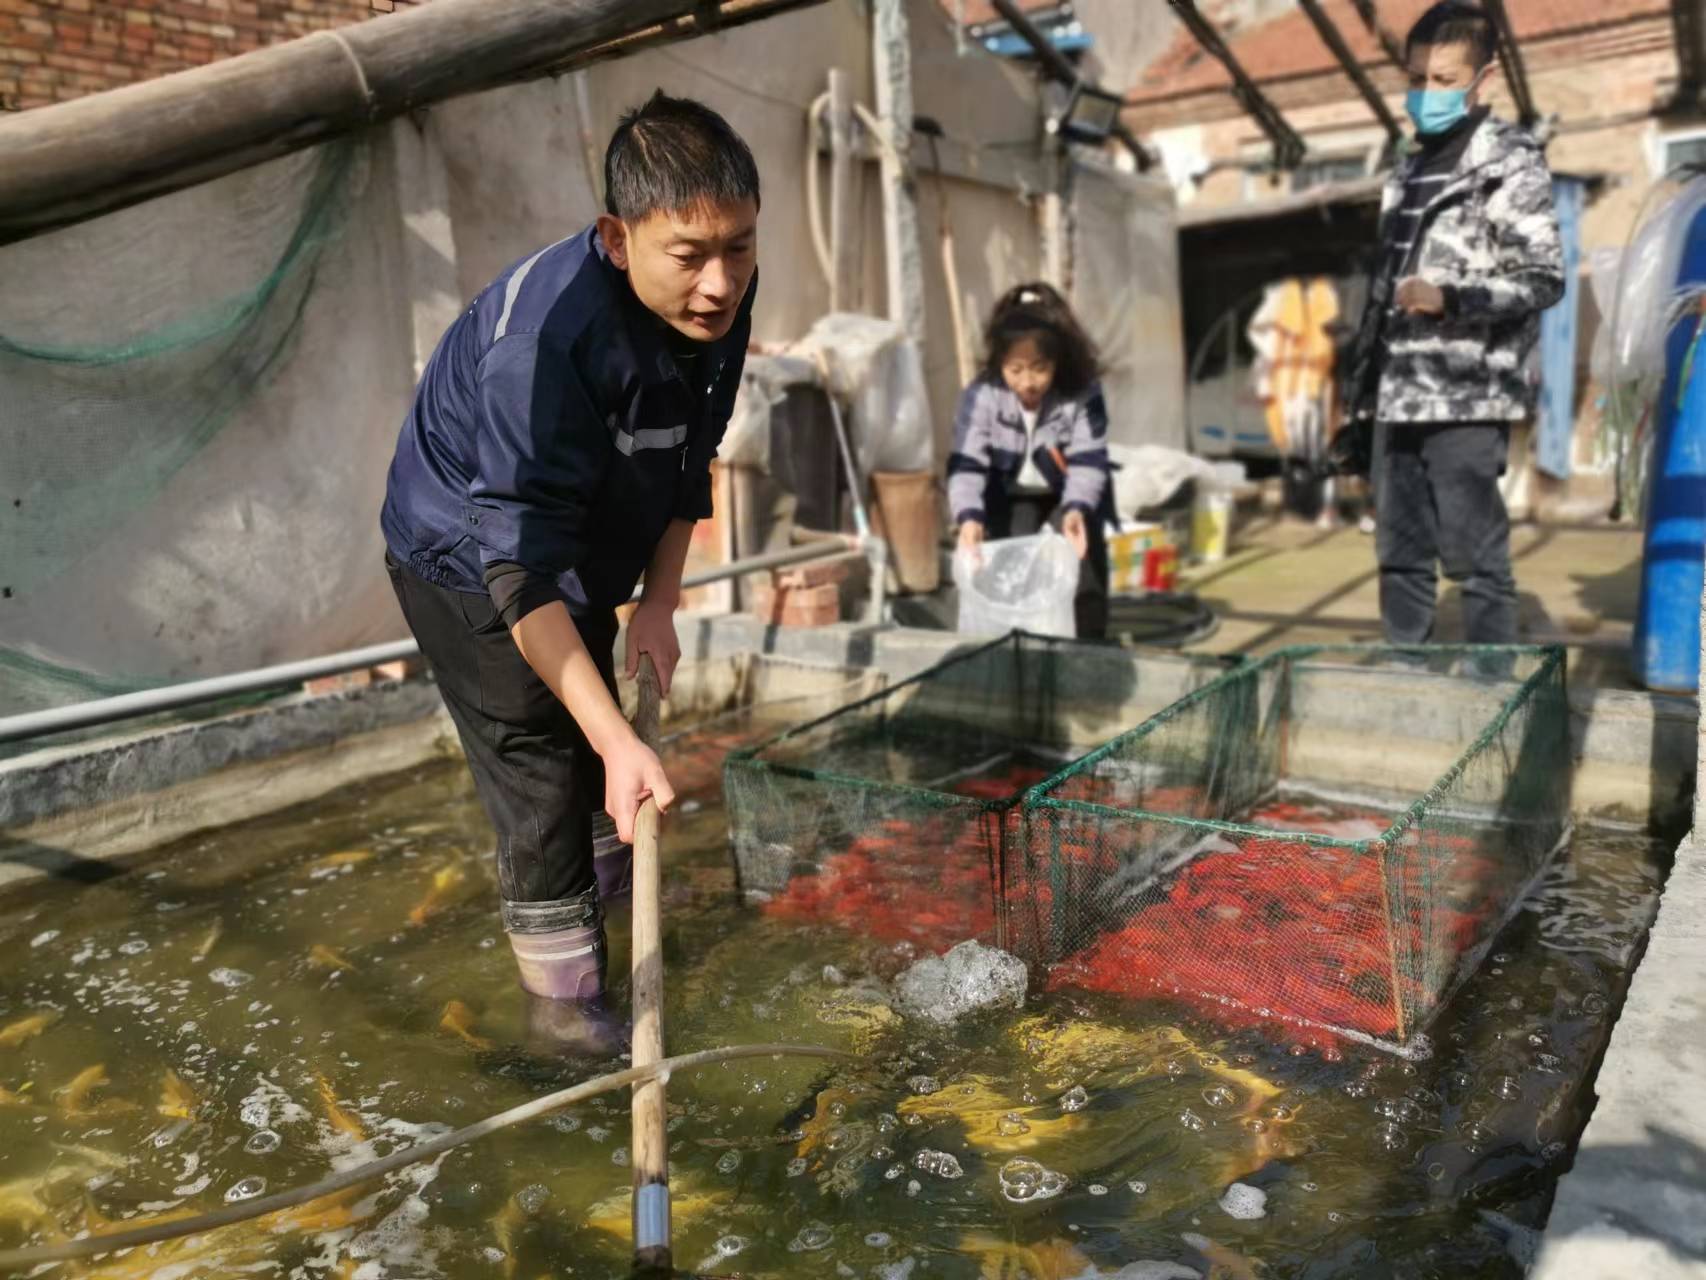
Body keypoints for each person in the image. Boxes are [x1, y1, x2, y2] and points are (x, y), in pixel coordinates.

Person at [379, 91, 759, 1041]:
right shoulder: (541, 348)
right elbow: (519, 572)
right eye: (690, 256)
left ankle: (609, 912)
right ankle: (565, 1022)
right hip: (467, 556)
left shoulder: (721, 301)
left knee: (599, 753)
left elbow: (689, 456)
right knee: (545, 768)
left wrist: (661, 602)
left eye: (740, 248)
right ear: (619, 238)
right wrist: (618, 738)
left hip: (582, 538)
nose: (720, 283)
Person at [1343, 0, 1562, 645]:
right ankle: (1407, 675)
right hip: (1396, 394)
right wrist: (1361, 388)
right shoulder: (1406, 169)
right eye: (1416, 79)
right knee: (1399, 556)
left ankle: (1494, 692)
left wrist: (1451, 296)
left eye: (1443, 80)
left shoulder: (1509, 161)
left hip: (1466, 395)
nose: (1425, 94)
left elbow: (1542, 277)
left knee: (1476, 562)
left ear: (1482, 79)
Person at [947, 283, 1114, 640]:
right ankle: (1020, 651)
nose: (1028, 382)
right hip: (1009, 495)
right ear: (1000, 364)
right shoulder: (980, 396)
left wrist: (1075, 509)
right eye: (1016, 369)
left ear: (1058, 362)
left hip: (1069, 495)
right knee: (1012, 572)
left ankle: (1089, 655)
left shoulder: (1083, 392)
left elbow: (1089, 459)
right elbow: (967, 464)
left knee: (1081, 574)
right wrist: (969, 517)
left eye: (1039, 368)